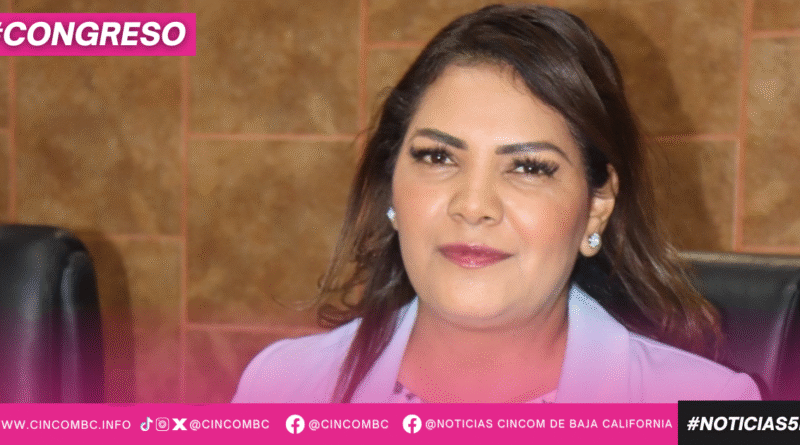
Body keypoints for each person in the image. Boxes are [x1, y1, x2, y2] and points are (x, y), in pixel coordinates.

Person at [233, 4, 760, 403]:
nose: (473, 205)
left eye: (528, 167)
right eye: (438, 157)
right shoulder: (280, 388)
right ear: (391, 183)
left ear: (597, 205)